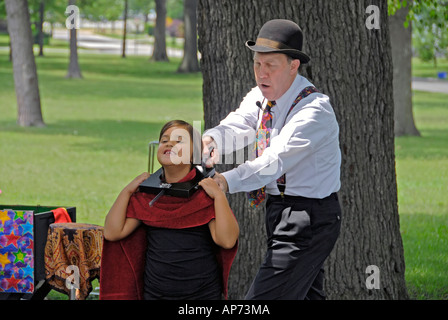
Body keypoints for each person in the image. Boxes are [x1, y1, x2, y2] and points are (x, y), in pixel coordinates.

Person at [202, 19, 342, 300]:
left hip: (308, 217)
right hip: (278, 209)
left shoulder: (314, 111)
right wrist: (212, 139)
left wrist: (224, 182)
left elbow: (273, 162)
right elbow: (240, 124)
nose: (261, 73)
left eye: (271, 66)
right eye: (257, 64)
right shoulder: (261, 96)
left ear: (293, 66)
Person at [103, 120, 239, 300]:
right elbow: (113, 232)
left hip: (201, 297)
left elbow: (227, 240)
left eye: (179, 140)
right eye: (164, 140)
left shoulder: (204, 195)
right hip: (155, 294)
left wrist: (219, 197)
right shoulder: (148, 196)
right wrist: (127, 191)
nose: (169, 143)